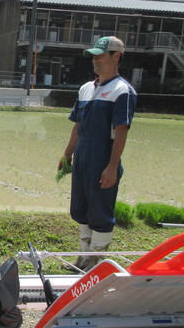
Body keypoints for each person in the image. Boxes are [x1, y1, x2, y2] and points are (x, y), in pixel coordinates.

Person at [58, 36, 137, 271]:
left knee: (100, 211)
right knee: (80, 209)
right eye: (94, 56)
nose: (96, 60)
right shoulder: (86, 88)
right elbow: (77, 126)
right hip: (82, 156)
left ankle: (96, 263)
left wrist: (112, 166)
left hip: (103, 157)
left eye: (102, 55)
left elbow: (121, 132)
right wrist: (67, 155)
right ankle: (83, 258)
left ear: (117, 56)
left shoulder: (123, 91)